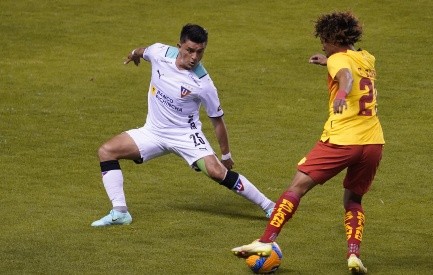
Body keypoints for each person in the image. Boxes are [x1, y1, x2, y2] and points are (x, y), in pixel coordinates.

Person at [231, 12, 384, 274]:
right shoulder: (367, 58)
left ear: (333, 38)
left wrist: (342, 92)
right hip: (373, 143)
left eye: (324, 40)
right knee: (353, 199)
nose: (322, 45)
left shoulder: (338, 60)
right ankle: (354, 255)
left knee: (297, 186)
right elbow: (352, 66)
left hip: (341, 140)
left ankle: (266, 241)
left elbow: (346, 76)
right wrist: (328, 61)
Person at [91, 24, 275, 227]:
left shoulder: (203, 84)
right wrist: (134, 54)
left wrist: (226, 155)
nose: (194, 57)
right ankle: (120, 212)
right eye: (190, 50)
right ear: (179, 46)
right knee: (106, 151)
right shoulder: (160, 52)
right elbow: (144, 51)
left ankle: (270, 207)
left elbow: (217, 120)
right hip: (153, 132)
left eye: (200, 51)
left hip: (185, 135)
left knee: (216, 172)